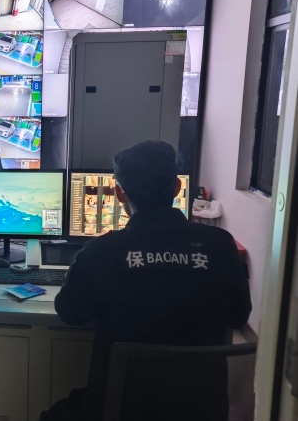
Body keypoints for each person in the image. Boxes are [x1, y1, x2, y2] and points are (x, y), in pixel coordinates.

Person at [45, 140, 251, 421]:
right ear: (177, 188)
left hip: (121, 408)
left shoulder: (100, 252)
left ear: (119, 193)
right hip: (202, 410)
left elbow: (70, 313)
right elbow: (239, 316)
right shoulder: (221, 246)